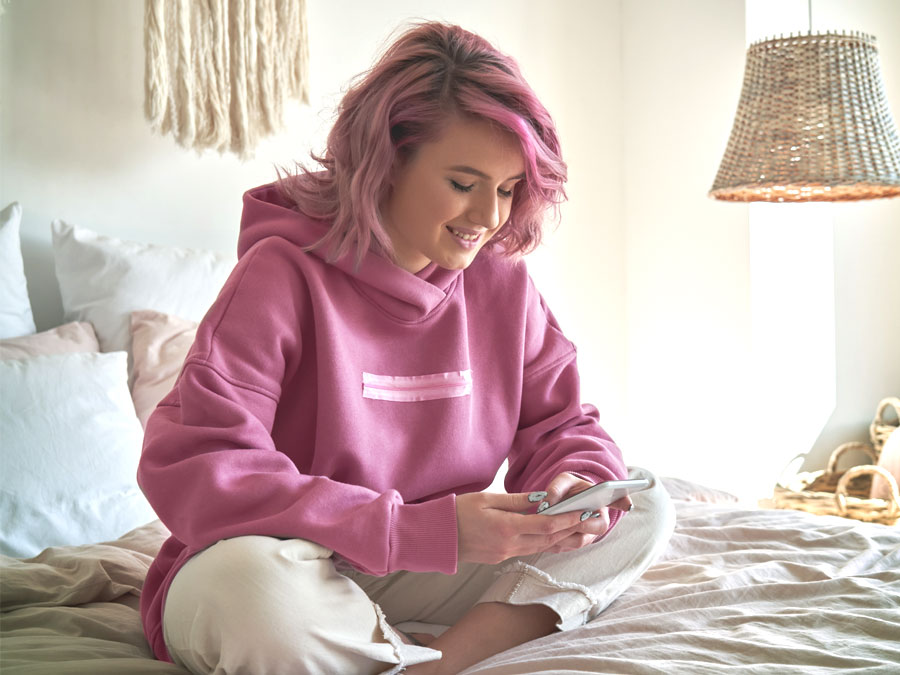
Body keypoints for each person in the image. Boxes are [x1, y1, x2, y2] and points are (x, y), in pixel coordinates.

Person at [137, 20, 674, 675]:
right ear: (388, 160)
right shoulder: (280, 275)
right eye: (463, 182)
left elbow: (561, 423)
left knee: (640, 501)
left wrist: (573, 487)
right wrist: (427, 529)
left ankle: (438, 663)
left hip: (421, 564)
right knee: (250, 588)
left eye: (507, 189)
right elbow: (201, 464)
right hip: (281, 561)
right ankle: (363, 643)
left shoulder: (501, 283)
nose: (489, 217)